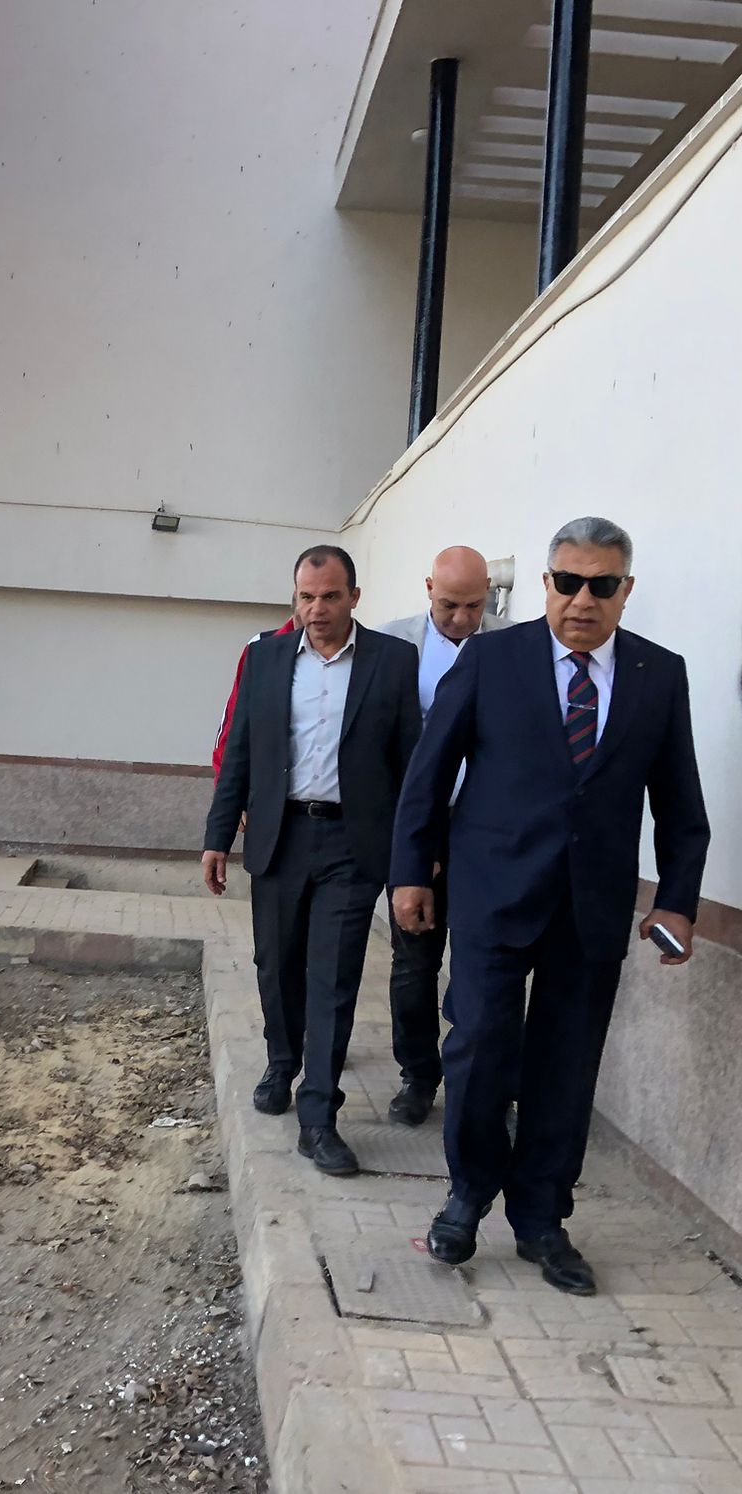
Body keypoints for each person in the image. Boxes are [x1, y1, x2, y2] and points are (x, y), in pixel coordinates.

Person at [392, 517, 708, 1296]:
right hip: (494, 895)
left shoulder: (658, 674)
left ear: (625, 591)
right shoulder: (491, 659)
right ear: (545, 584)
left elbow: (680, 803)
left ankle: (541, 1220)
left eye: (601, 585)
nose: (582, 599)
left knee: (566, 1069)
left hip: (590, 907)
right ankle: (467, 1197)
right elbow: (429, 774)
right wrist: (410, 874)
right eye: (568, 582)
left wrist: (677, 901)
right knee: (478, 1050)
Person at [203, 546, 421, 1177]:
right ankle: (282, 1062)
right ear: (294, 598)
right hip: (280, 836)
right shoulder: (265, 659)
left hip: (353, 845)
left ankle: (319, 1116)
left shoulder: (392, 661)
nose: (316, 609)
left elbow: (411, 764)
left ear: (354, 597)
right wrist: (218, 835)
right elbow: (240, 751)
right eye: (306, 596)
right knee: (276, 964)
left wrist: (415, 856)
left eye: (329, 596)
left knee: (333, 978)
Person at [375, 547, 512, 1128]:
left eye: (474, 606)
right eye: (449, 605)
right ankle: (417, 1075)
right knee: (414, 961)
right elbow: (380, 747)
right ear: (428, 587)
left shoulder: (512, 646)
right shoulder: (392, 646)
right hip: (418, 828)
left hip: (487, 836)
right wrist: (413, 843)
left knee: (492, 963)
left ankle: (486, 1080)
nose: (461, 619)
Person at [212, 610, 297, 779]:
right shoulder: (261, 646)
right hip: (267, 780)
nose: (316, 610)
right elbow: (235, 720)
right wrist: (226, 780)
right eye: (308, 598)